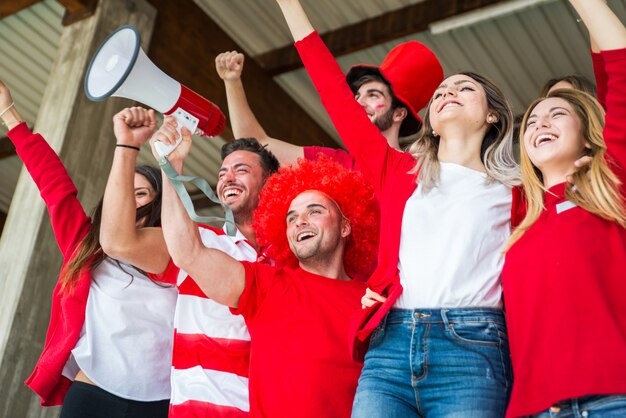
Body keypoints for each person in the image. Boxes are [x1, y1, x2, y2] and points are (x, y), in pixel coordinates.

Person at [271, 0, 526, 416]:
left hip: (474, 349)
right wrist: (290, 6)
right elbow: (333, 91)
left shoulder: (518, 192)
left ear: (494, 115)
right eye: (442, 91)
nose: (448, 93)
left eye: (464, 88)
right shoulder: (399, 171)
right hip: (390, 346)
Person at [153, 117, 379, 417]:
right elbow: (188, 253)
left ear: (347, 226)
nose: (301, 221)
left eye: (315, 211)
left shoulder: (372, 300)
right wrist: (170, 169)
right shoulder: (267, 284)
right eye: (291, 216)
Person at [0, 84, 176, 418]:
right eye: (124, 191)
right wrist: (8, 113)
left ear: (158, 204)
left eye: (139, 194)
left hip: (159, 402)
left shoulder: (179, 252)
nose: (128, 199)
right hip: (92, 392)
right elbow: (53, 185)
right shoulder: (87, 244)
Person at [101, 114, 280, 416]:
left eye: (241, 170)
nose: (227, 178)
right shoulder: (200, 241)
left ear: (271, 183)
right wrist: (128, 147)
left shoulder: (295, 257)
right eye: (222, 173)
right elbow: (118, 241)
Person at [502, 0, 626, 416]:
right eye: (532, 120)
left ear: (591, 136)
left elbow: (620, 67)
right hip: (537, 409)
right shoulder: (515, 220)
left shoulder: (610, 186)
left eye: (557, 113)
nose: (540, 123)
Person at [215, 39, 443, 168]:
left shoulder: (419, 167)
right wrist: (232, 82)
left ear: (399, 114)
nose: (359, 102)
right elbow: (256, 144)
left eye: (373, 95)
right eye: (358, 96)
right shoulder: (337, 163)